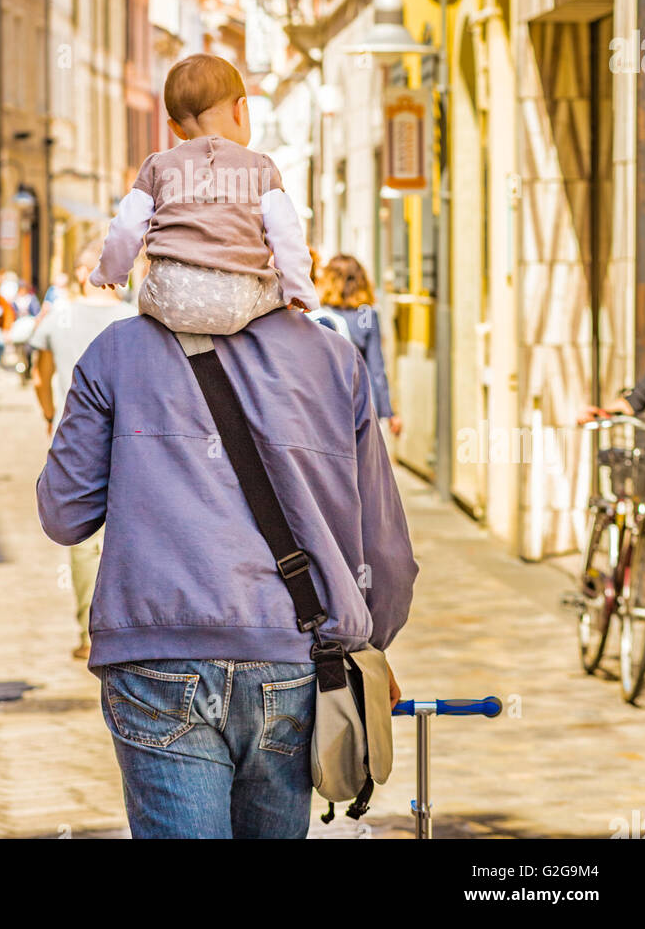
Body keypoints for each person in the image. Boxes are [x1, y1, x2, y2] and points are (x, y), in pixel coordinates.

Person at [37, 304, 417, 839]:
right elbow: (385, 549)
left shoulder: (118, 350)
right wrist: (372, 643)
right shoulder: (335, 358)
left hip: (159, 657)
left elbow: (64, 514)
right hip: (293, 658)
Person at [90, 54, 319, 335]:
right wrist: (299, 290)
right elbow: (287, 237)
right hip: (239, 300)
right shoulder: (260, 167)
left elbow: (125, 228)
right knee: (273, 289)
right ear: (241, 110)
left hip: (168, 297)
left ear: (175, 127)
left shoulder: (157, 166)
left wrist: (111, 271)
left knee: (147, 298)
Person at [32, 249, 135, 660]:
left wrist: (49, 414)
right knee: (130, 528)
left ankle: (90, 628)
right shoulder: (137, 319)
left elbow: (41, 375)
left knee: (83, 536)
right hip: (130, 437)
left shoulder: (60, 318)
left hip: (74, 435)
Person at [316, 255, 401, 437]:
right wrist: (389, 411)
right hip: (363, 399)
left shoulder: (321, 314)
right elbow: (377, 369)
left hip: (330, 398)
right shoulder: (367, 315)